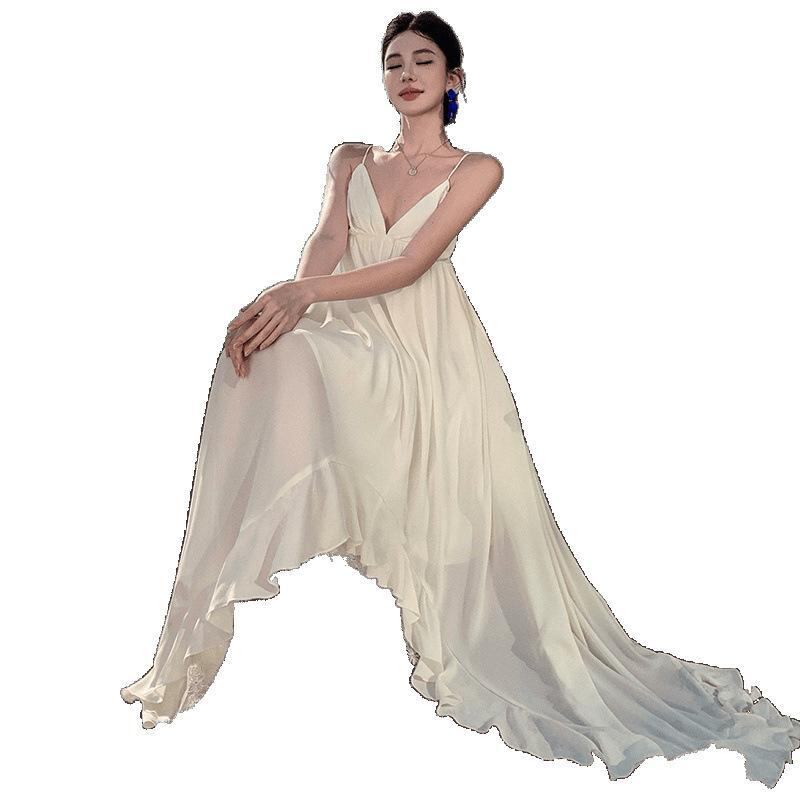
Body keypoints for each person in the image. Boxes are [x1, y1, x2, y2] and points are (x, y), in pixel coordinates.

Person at [120, 10, 800, 788]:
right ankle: (240, 554)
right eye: (393, 62)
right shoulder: (350, 158)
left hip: (426, 346)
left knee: (436, 485)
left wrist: (302, 295)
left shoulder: (477, 168)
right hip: (349, 321)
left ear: (453, 78)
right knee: (259, 352)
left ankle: (352, 522)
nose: (406, 74)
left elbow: (412, 261)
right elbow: (330, 242)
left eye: (423, 61)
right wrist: (293, 304)